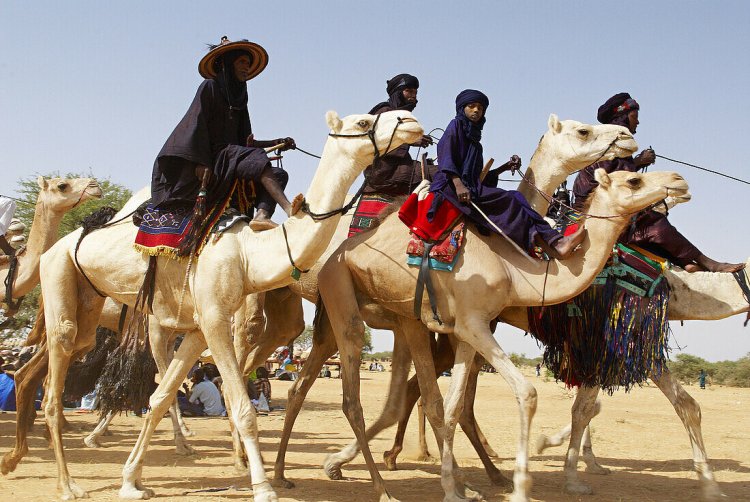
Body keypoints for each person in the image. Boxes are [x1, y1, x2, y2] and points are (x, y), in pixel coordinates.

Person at [572, 92, 744, 273]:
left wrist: (637, 162)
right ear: (622, 117)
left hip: (604, 211)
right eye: (634, 117)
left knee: (649, 221)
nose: (637, 122)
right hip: (594, 216)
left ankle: (687, 263)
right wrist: (639, 162)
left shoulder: (612, 144)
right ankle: (708, 263)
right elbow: (618, 180)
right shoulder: (613, 143)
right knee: (655, 225)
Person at [151, 36, 300, 232]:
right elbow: (196, 126)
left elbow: (246, 143)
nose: (246, 67)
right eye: (242, 62)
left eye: (248, 63)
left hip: (232, 157)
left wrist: (278, 141)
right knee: (259, 158)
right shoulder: (210, 86)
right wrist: (201, 162)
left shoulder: (240, 97)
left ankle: (262, 215)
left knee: (280, 174)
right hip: (214, 157)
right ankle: (289, 209)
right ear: (228, 64)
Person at [428, 90, 586, 259]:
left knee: (517, 199)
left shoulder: (475, 141)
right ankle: (556, 242)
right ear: (462, 108)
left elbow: (477, 178)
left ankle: (553, 246)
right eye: (471, 106)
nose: (476, 111)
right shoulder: (455, 126)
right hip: (450, 187)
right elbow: (446, 157)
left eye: (480, 108)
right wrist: (458, 185)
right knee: (514, 199)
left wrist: (504, 167)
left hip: (470, 188)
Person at [348, 73, 434, 237]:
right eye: (409, 91)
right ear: (398, 91)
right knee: (439, 175)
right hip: (384, 173)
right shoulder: (385, 112)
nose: (414, 97)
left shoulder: (399, 116)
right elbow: (376, 142)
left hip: (397, 169)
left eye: (415, 93)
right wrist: (410, 141)